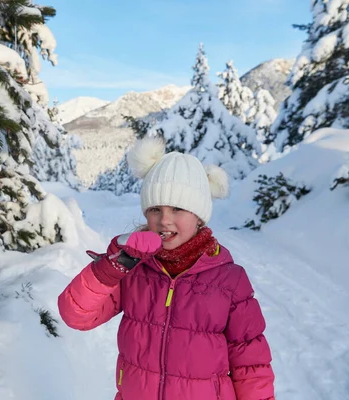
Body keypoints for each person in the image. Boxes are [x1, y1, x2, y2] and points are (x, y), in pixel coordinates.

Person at [58, 136, 275, 400]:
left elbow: (251, 363)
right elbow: (76, 315)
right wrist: (114, 265)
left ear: (198, 216)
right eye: (155, 209)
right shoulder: (134, 269)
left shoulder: (230, 280)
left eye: (178, 208)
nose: (164, 220)